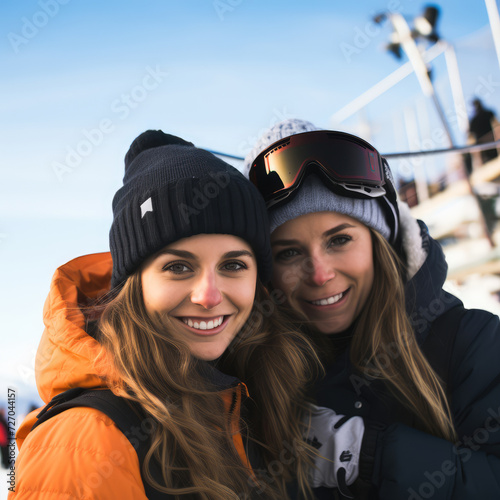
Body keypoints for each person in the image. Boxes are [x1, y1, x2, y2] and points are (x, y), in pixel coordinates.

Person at [10, 130, 343, 500]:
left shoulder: (245, 397)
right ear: (134, 286)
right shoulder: (87, 441)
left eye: (233, 265)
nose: (209, 296)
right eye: (179, 267)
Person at [245, 119, 500, 499]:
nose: (320, 274)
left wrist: (370, 455)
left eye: (340, 239)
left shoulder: (472, 345)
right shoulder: (245, 377)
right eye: (289, 253)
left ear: (381, 243)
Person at [469, 97, 498, 165]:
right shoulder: (489, 113)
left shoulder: (473, 121)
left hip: (483, 147)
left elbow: (471, 136)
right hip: (492, 142)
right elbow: (497, 125)